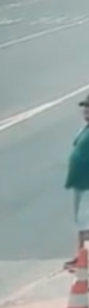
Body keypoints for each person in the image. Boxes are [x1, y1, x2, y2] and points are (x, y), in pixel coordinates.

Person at [64, 96, 89, 272]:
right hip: (79, 184)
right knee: (81, 221)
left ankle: (84, 259)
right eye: (85, 108)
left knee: (85, 222)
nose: (86, 112)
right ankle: (82, 256)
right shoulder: (84, 129)